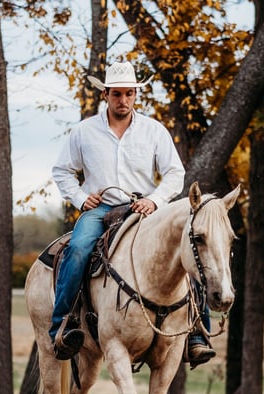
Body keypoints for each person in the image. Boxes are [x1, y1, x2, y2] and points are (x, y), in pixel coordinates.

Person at [50, 61, 216, 367]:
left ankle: (196, 333)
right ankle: (62, 325)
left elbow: (174, 173)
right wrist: (81, 198)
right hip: (101, 209)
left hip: (143, 209)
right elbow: (62, 171)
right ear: (105, 95)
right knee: (78, 249)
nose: (123, 100)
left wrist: (155, 200)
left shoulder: (154, 131)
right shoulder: (84, 132)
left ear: (136, 95)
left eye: (129, 93)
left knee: (184, 250)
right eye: (116, 94)